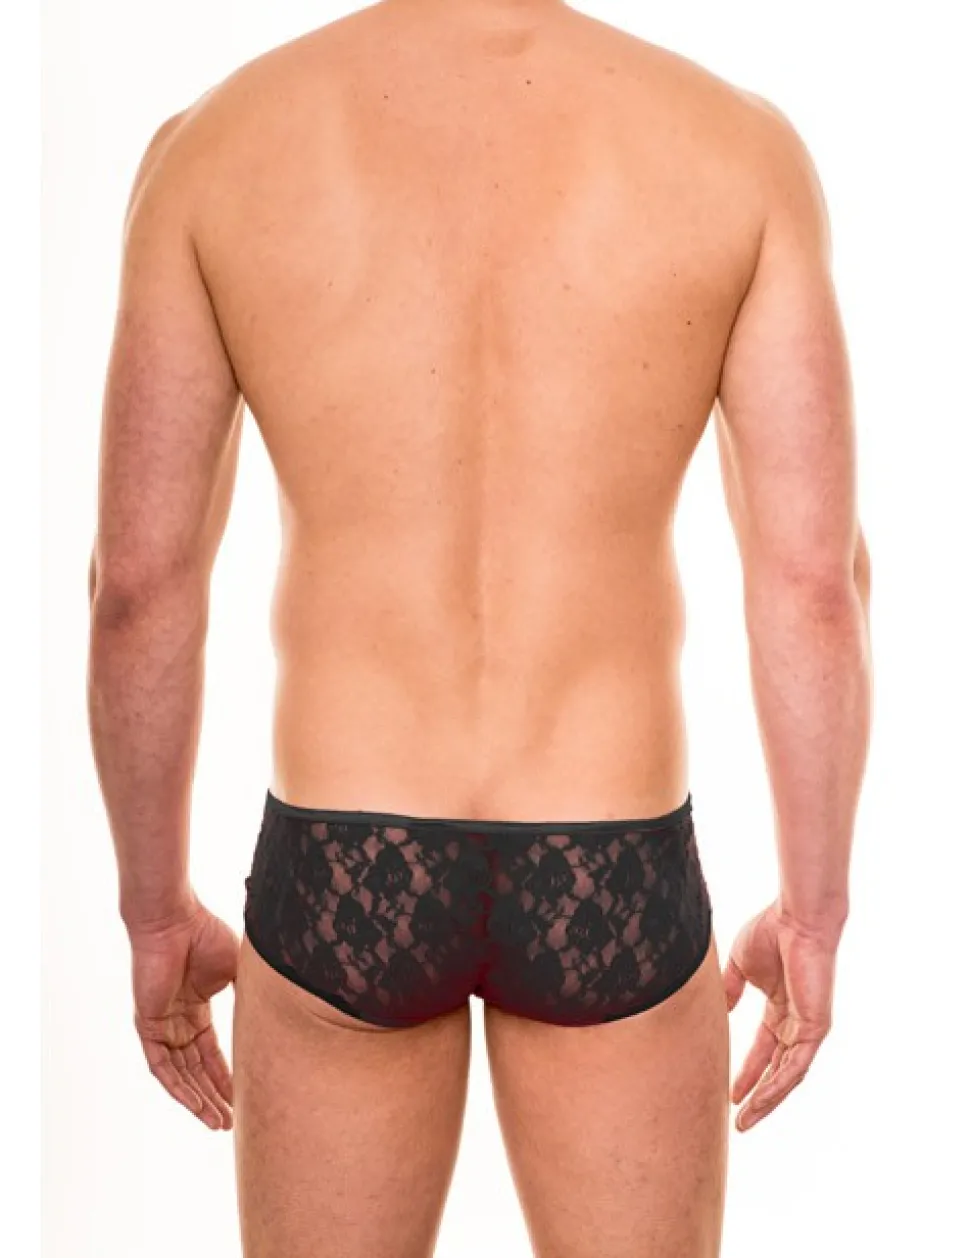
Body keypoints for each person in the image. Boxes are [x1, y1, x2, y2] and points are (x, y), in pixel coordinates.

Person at [86, 1, 872, 1254]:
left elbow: (137, 585)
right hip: (610, 857)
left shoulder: (217, 146)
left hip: (346, 859)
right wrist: (814, 913)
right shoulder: (733, 149)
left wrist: (151, 911)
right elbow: (813, 583)